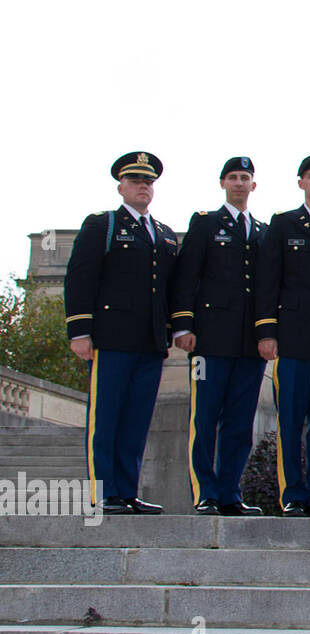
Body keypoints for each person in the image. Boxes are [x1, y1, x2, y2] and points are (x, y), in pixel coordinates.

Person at [64, 151, 177, 513]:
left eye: (148, 182)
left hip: (149, 342)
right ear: (121, 186)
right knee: (107, 418)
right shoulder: (103, 225)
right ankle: (103, 493)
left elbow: (170, 289)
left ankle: (127, 491)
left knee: (137, 420)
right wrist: (80, 331)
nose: (143, 187)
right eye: (136, 181)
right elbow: (80, 278)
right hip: (110, 340)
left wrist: (171, 331)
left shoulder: (163, 234)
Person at [170, 155, 267, 516]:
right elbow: (187, 276)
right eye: (233, 178)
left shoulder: (261, 231)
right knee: (206, 417)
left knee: (240, 422)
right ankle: (205, 491)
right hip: (209, 341)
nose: (240, 183)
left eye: (246, 178)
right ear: (223, 184)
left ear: (253, 186)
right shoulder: (206, 223)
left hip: (248, 344)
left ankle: (230, 491)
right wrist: (184, 324)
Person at [254, 153, 310, 517]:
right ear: (301, 184)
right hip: (290, 340)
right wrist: (267, 331)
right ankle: (292, 493)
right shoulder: (283, 224)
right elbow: (267, 281)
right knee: (290, 421)